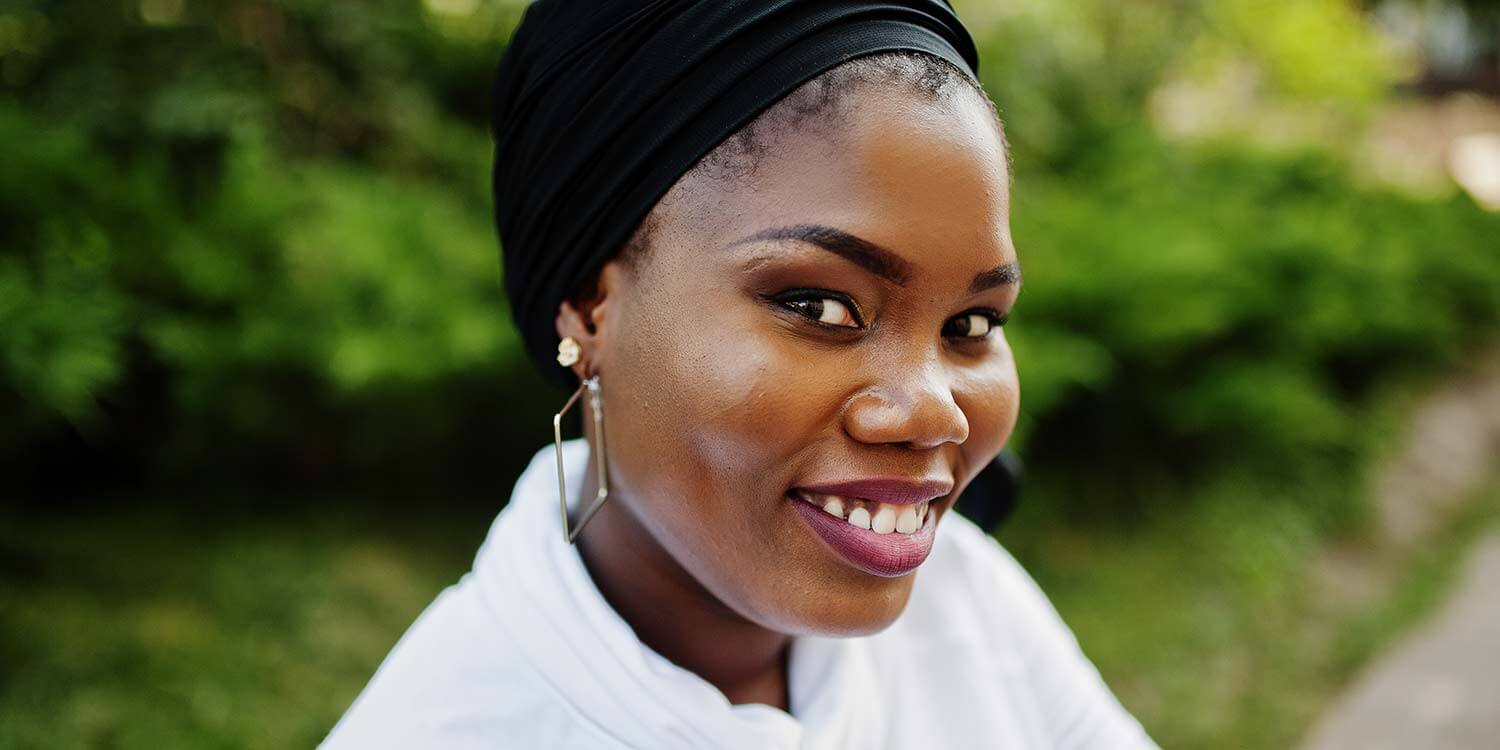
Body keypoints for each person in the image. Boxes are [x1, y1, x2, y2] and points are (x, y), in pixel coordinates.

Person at [323, 1, 1158, 747]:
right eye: (821, 307)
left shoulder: (972, 612)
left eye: (971, 325)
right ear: (589, 310)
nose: (935, 412)